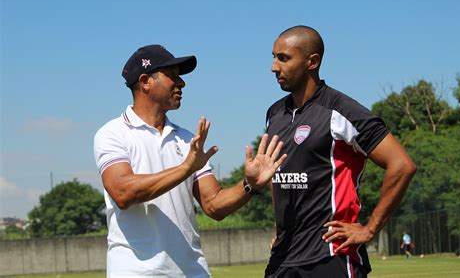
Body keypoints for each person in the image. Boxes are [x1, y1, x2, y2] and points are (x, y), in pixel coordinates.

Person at [94, 44, 287, 277]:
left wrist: (250, 185)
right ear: (145, 81)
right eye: (173, 76)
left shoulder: (186, 139)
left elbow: (213, 205)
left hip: (192, 271)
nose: (182, 84)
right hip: (136, 272)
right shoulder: (113, 133)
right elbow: (123, 193)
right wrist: (186, 167)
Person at [264, 26, 417, 277]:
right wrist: (279, 230)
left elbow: (401, 165)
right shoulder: (274, 114)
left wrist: (369, 229)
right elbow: (278, 175)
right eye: (273, 56)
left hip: (331, 255)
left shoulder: (341, 110)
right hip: (283, 257)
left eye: (283, 58)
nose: (274, 67)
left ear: (312, 61)